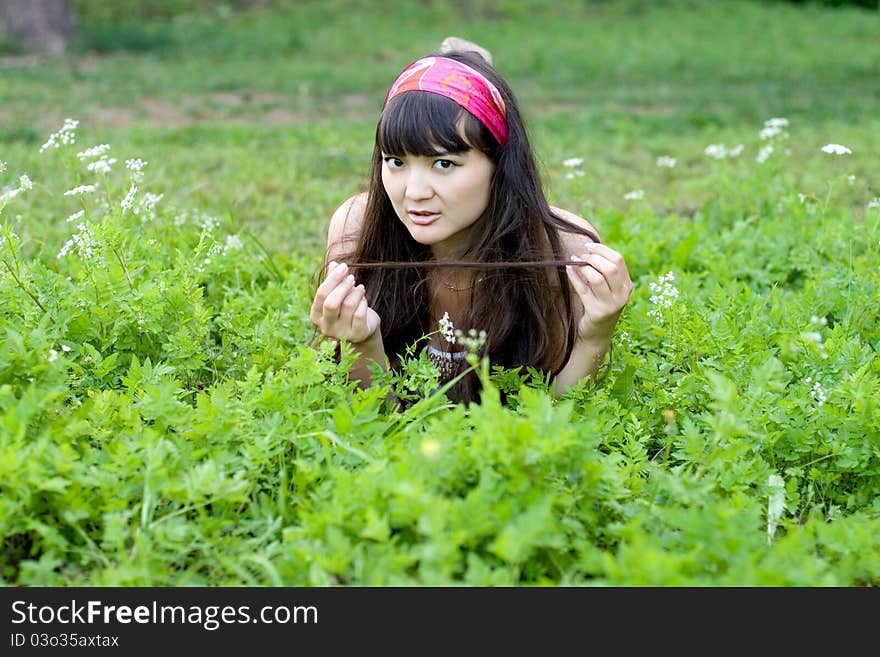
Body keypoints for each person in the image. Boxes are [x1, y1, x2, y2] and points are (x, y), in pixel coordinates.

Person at [309, 44, 633, 404]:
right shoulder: (359, 230)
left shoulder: (563, 252)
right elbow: (376, 422)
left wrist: (595, 336)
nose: (413, 192)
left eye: (443, 164)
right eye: (396, 161)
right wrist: (362, 344)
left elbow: (551, 416)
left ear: (499, 165)